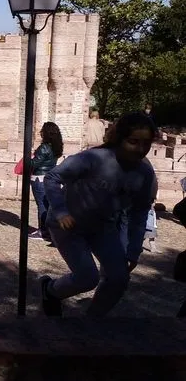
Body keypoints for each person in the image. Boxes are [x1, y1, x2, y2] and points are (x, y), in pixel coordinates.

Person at [39, 112, 158, 317]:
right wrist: (60, 211)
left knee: (119, 278)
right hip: (69, 225)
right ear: (120, 139)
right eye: (133, 142)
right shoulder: (93, 158)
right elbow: (52, 177)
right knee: (87, 277)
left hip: (102, 228)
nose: (140, 149)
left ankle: (93, 320)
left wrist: (133, 250)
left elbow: (139, 213)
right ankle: (50, 290)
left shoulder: (144, 174)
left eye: (146, 143)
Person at [27, 122, 64, 241]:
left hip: (39, 178)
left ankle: (43, 231)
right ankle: (49, 230)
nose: (41, 133)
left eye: (42, 131)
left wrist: (28, 158)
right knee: (48, 205)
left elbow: (34, 163)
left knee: (42, 205)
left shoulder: (44, 147)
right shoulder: (56, 146)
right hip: (50, 178)